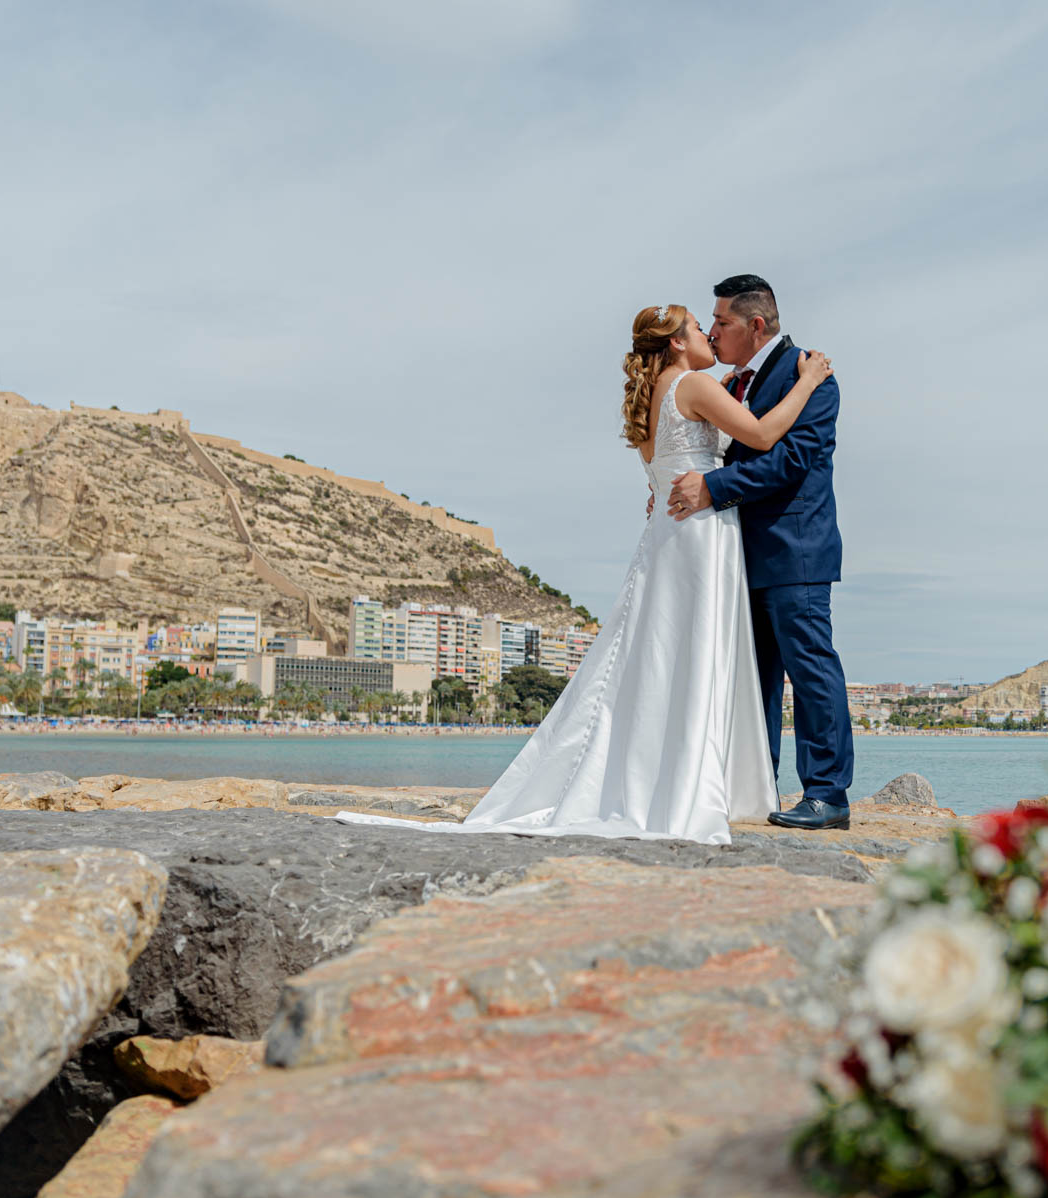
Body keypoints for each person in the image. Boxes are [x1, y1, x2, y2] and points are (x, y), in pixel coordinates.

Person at [337, 302, 831, 843]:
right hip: (700, 532)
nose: (708, 334)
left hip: (669, 534)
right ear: (675, 343)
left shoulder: (649, 402)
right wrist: (806, 382)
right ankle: (689, 782)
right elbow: (761, 437)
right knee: (693, 654)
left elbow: (663, 471)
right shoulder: (693, 385)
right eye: (698, 328)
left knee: (660, 655)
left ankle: (664, 780)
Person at [665, 275, 854, 831]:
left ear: (755, 325)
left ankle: (827, 794)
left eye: (720, 321)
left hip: (796, 550)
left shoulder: (810, 378)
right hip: (736, 555)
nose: (713, 330)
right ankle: (759, 784)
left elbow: (792, 461)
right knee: (755, 677)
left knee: (810, 668)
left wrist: (712, 488)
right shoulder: (733, 384)